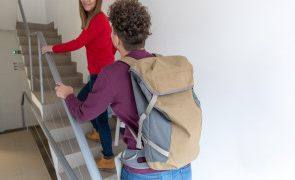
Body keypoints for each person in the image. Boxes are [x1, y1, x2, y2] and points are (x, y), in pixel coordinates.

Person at [54, 0, 193, 179]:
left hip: (146, 171)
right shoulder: (159, 63)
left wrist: (68, 94)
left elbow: (84, 113)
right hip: (181, 164)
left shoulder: (112, 73)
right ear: (144, 36)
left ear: (116, 39)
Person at [42, 0, 116, 169]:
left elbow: (77, 43)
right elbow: (112, 47)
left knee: (102, 117)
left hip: (100, 75)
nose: (86, 0)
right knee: (81, 100)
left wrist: (52, 48)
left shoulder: (98, 19)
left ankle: (108, 158)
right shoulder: (95, 19)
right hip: (98, 74)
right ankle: (97, 131)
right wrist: (106, 59)